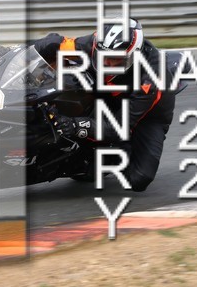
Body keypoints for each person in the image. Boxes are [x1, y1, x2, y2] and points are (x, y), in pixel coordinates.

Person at [32, 19, 176, 192]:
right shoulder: (91, 43)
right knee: (65, 76)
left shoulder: (152, 78)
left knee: (139, 178)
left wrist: (76, 125)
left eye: (115, 60)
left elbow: (119, 127)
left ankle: (106, 155)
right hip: (107, 90)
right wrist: (15, 57)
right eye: (103, 56)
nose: (107, 64)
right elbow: (52, 43)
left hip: (145, 115)